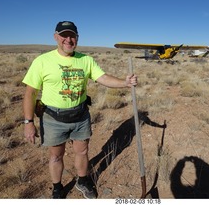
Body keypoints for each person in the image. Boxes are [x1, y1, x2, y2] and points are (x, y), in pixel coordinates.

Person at [22, 21, 137, 199]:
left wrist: (125, 82)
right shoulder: (42, 61)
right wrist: (28, 122)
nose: (68, 39)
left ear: (77, 38)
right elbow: (30, 93)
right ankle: (57, 187)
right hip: (53, 118)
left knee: (82, 151)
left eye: (72, 36)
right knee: (56, 156)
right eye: (64, 35)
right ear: (55, 37)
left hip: (80, 116)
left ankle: (82, 180)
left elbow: (103, 78)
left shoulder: (86, 60)